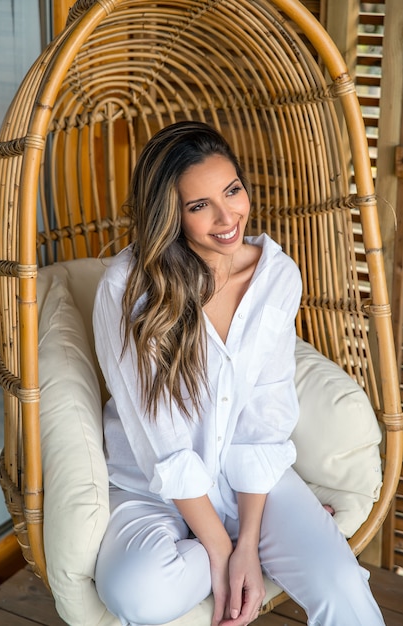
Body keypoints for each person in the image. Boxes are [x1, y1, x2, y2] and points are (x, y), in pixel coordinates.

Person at [93, 121, 385, 626]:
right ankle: (250, 544)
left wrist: (249, 541)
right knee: (136, 595)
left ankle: (269, 541)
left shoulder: (276, 276)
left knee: (341, 589)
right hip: (154, 488)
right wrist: (224, 554)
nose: (227, 217)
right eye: (199, 205)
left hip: (249, 484)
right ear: (170, 215)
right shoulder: (128, 288)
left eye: (232, 191)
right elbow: (161, 444)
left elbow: (263, 420)